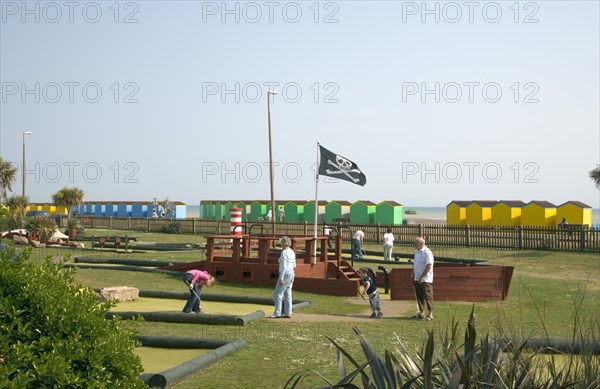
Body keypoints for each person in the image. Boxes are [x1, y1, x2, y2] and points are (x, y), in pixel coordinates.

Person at [271, 236, 296, 318]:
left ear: (283, 244)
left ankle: (277, 313)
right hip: (292, 273)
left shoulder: (284, 253)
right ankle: (288, 312)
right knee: (288, 293)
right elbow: (294, 265)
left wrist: (281, 278)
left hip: (285, 274)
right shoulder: (292, 251)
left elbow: (283, 266)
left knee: (277, 294)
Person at [412, 236, 434, 321]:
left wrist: (422, 277)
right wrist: (413, 273)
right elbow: (416, 264)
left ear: (421, 244)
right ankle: (421, 312)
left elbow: (429, 266)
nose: (414, 245)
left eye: (415, 243)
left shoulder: (428, 252)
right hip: (417, 278)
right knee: (419, 296)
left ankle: (430, 314)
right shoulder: (417, 252)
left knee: (428, 296)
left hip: (426, 279)